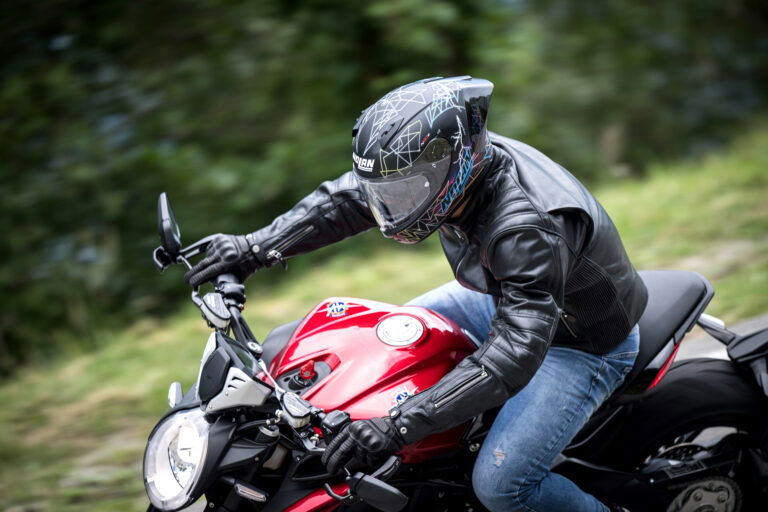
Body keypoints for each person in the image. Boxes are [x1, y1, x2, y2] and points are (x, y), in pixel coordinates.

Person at [185, 76, 647, 512]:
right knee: (385, 352)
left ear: (452, 163)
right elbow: (344, 201)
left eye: (404, 191)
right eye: (387, 191)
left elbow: (513, 355)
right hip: (504, 298)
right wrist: (253, 248)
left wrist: (398, 425)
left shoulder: (524, 230)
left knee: (502, 485)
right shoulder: (456, 168)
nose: (391, 206)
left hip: (578, 343)